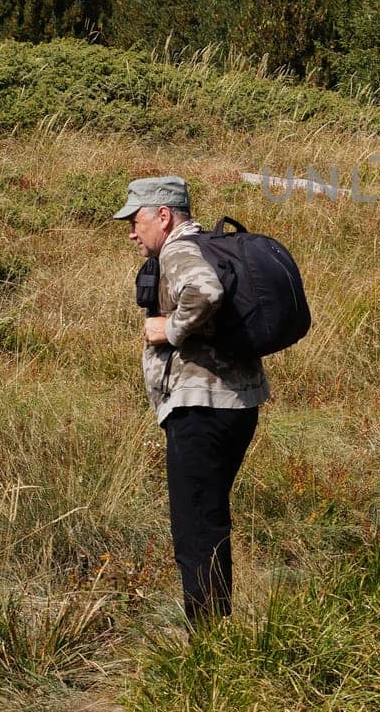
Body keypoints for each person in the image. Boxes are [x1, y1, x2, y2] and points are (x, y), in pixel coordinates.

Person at [114, 175, 270, 625]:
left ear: (163, 216)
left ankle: (208, 645)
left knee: (196, 531)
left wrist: (170, 329)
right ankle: (217, 630)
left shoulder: (180, 250)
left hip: (201, 407)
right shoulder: (208, 244)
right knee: (210, 518)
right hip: (238, 404)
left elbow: (205, 291)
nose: (131, 232)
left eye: (136, 220)